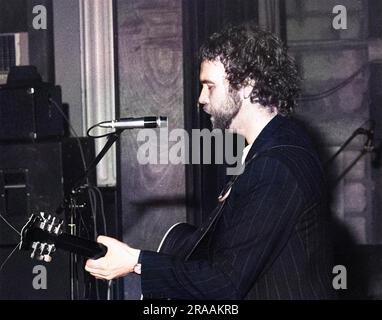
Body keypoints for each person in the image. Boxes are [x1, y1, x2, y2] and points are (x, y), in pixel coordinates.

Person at [85, 23, 336, 299]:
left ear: (247, 85)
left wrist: (135, 261)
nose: (201, 99)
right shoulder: (274, 145)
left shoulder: (274, 165)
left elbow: (225, 283)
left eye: (209, 86)